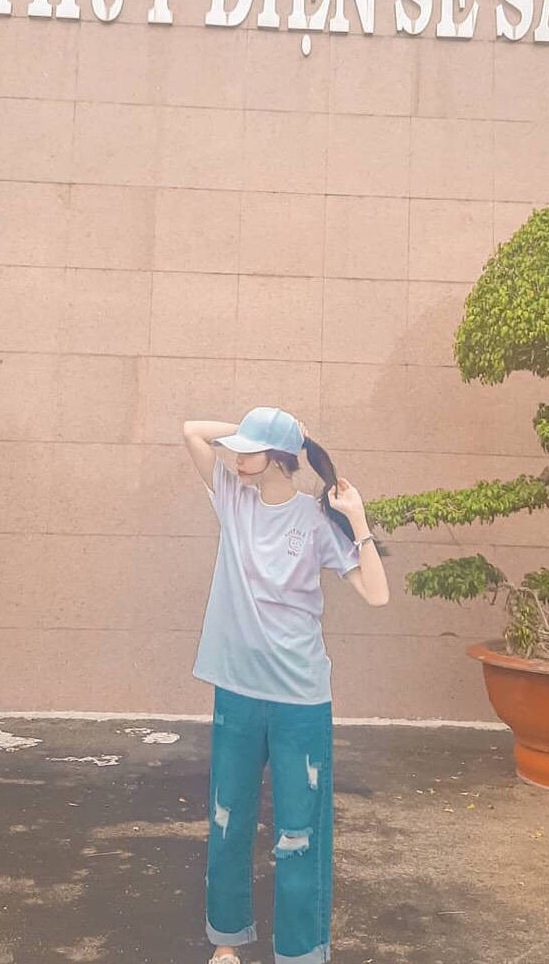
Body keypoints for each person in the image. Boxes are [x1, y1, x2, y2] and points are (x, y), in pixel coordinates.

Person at [182, 407, 390, 964]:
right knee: (227, 819)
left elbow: (377, 595)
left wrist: (358, 520)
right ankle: (226, 943)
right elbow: (192, 432)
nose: (235, 457)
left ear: (277, 459)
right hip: (238, 691)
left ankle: (301, 954)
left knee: (300, 834)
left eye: (249, 450)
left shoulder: (317, 521)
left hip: (300, 699)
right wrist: (264, 429)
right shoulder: (232, 498)